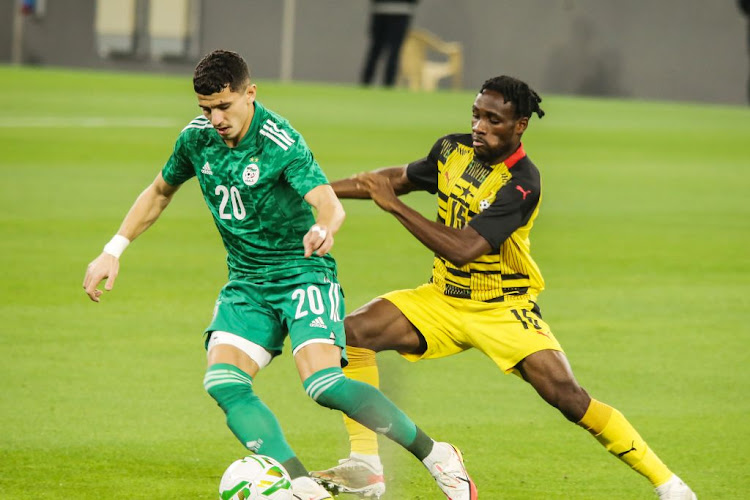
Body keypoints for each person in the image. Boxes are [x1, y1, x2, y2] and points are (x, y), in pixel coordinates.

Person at [82, 49, 477, 500]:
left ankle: (437, 455)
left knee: (324, 385)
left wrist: (324, 227)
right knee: (223, 381)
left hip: (302, 275)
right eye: (205, 109)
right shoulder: (196, 140)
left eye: (223, 106)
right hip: (248, 284)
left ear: (250, 94)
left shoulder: (280, 140)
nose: (215, 119)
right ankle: (301, 483)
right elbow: (158, 192)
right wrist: (113, 250)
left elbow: (328, 201)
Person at [311, 76, 698, 500]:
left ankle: (670, 485)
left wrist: (394, 206)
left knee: (568, 397)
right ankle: (366, 465)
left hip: (502, 309)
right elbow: (395, 179)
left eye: (493, 120)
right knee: (350, 335)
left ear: (520, 125)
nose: (479, 126)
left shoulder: (522, 183)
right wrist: (317, 192)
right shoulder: (452, 150)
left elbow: (464, 249)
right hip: (442, 298)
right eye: (476, 115)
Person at [361, 0, 418, 87]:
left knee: (378, 50)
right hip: (398, 11)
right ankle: (387, 83)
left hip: (383, 10)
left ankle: (367, 82)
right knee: (391, 50)